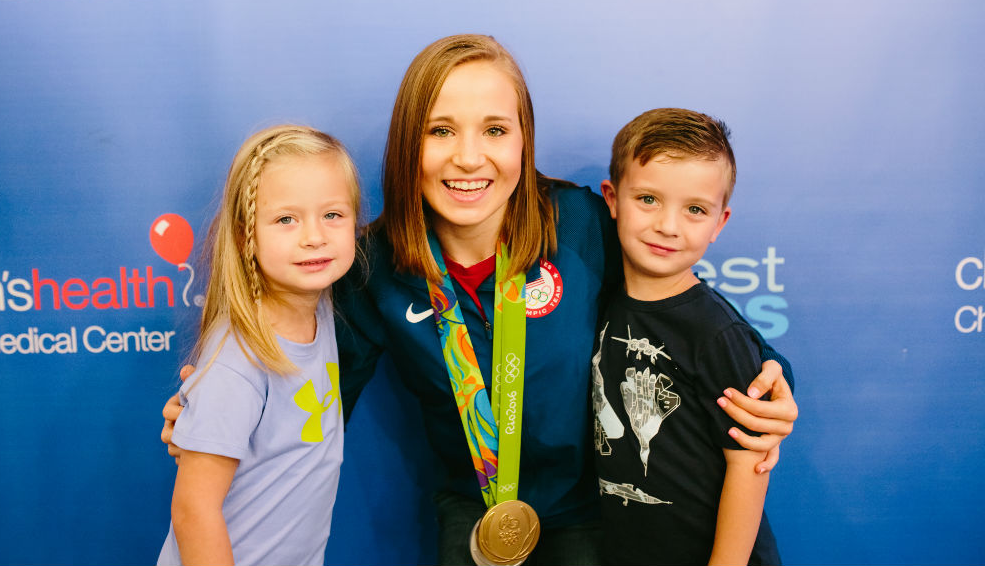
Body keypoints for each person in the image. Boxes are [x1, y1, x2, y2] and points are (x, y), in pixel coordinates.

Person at [162, 35, 797, 565]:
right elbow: (317, 393)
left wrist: (772, 381)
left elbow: (684, 313)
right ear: (408, 143)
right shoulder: (371, 267)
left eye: (495, 129)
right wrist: (217, 419)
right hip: (473, 512)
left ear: (524, 139)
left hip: (591, 511)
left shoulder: (581, 225)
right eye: (441, 130)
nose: (469, 158)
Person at [157, 125, 361, 566]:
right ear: (245, 234)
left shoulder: (319, 304)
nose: (314, 236)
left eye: (333, 215)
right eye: (286, 219)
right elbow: (194, 512)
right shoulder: (239, 362)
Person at [593, 108, 783, 565]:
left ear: (720, 222)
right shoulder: (602, 299)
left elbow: (750, 462)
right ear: (612, 198)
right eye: (648, 199)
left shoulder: (716, 332)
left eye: (695, 209)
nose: (668, 226)